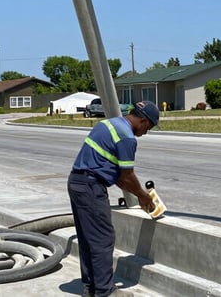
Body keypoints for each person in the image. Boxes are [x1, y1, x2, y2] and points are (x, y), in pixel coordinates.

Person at [67, 100, 160, 297]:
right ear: (143, 121)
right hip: (91, 187)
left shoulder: (108, 124)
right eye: (149, 127)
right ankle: (105, 291)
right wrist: (143, 196)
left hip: (77, 181)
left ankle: (90, 287)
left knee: (87, 239)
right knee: (103, 239)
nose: (146, 132)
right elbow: (127, 175)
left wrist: (138, 195)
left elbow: (116, 174)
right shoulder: (127, 137)